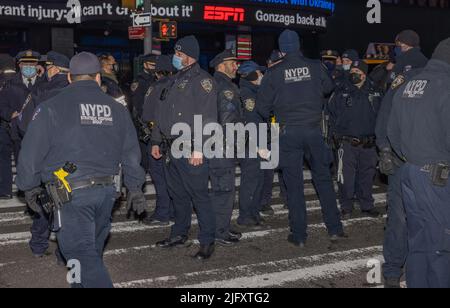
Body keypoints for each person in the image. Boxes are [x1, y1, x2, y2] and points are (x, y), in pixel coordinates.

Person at [16, 52, 146, 288]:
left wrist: (28, 186)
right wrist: (135, 187)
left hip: (70, 194)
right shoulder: (116, 109)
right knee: (88, 253)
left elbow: (30, 152)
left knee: (81, 254)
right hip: (107, 193)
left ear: (69, 79)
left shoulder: (51, 107)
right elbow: (130, 151)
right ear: (98, 78)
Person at [257, 30, 345, 247]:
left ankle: (299, 235)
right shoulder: (316, 66)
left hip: (288, 133)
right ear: (299, 46)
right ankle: (334, 229)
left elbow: (261, 107)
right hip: (314, 129)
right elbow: (328, 87)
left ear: (281, 50)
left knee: (293, 184)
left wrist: (276, 113)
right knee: (323, 179)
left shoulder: (274, 72)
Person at [387, 38, 450, 288]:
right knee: (441, 245)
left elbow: (392, 130)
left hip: (409, 171)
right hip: (438, 177)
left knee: (418, 242)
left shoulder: (409, 84)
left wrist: (411, 156)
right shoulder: (446, 86)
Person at [151, 36, 218, 260]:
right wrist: (156, 140)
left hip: (191, 147)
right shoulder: (174, 80)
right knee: (177, 195)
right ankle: (179, 233)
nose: (175, 58)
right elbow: (162, 114)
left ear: (190, 56)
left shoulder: (202, 81)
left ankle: (207, 240)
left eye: (179, 54)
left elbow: (208, 117)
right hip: (172, 148)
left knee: (199, 196)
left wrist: (199, 148)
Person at [375, 30, 428, 288]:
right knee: (425, 217)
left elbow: (386, 113)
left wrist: (384, 147)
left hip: (400, 157)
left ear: (401, 46)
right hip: (427, 158)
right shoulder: (434, 74)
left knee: (399, 218)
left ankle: (393, 272)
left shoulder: (402, 76)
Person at [17, 51, 71, 259]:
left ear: (54, 69)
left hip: (47, 156)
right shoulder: (78, 92)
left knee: (46, 200)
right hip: (72, 159)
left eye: (47, 69)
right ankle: (63, 253)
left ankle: (38, 244)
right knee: (69, 203)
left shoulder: (41, 91)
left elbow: (23, 123)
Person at [328, 60, 382, 219]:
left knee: (367, 176)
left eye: (358, 71)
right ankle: (346, 206)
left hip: (369, 144)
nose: (354, 74)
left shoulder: (375, 91)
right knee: (345, 177)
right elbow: (330, 114)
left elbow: (382, 115)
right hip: (346, 142)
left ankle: (367, 205)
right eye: (352, 71)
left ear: (364, 75)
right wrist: (332, 137)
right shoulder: (340, 90)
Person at [208, 50, 244, 245]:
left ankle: (220, 226)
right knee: (224, 190)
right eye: (233, 62)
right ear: (221, 65)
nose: (236, 66)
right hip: (221, 146)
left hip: (216, 145)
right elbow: (228, 119)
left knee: (221, 189)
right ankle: (219, 231)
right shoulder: (225, 87)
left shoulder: (214, 83)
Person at [238, 61, 274, 217]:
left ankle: (258, 207)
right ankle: (248, 214)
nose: (262, 76)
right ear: (253, 75)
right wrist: (260, 145)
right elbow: (253, 120)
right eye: (259, 73)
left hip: (265, 137)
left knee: (265, 175)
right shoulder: (248, 94)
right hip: (254, 142)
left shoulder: (258, 90)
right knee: (252, 180)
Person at [141, 55, 175, 225]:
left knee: (160, 176)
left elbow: (146, 114)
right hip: (178, 137)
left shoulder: (156, 87)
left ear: (157, 72)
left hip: (158, 137)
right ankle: (175, 210)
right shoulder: (180, 85)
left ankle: (163, 213)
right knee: (175, 177)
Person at [0, 54, 16, 200]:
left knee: (3, 158)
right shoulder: (18, 81)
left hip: (3, 125)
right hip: (17, 127)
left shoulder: (2, 82)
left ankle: (4, 190)